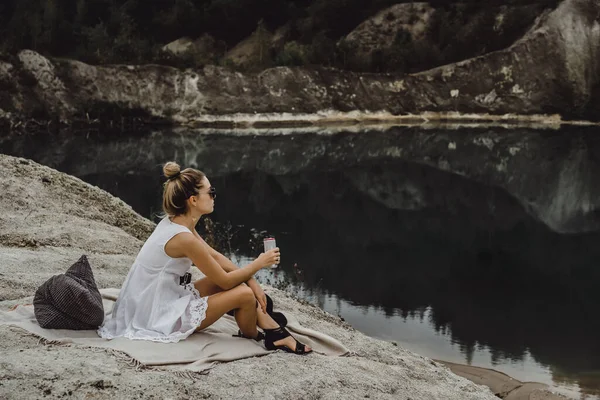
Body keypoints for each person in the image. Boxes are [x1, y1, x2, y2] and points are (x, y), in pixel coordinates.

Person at [98, 161, 311, 354]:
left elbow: (214, 256)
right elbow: (225, 281)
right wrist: (257, 265)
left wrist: (252, 281)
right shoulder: (183, 237)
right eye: (211, 192)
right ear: (193, 200)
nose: (214, 196)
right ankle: (258, 335)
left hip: (160, 297)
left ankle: (267, 324)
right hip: (156, 315)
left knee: (245, 287)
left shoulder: (179, 222)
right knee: (244, 295)